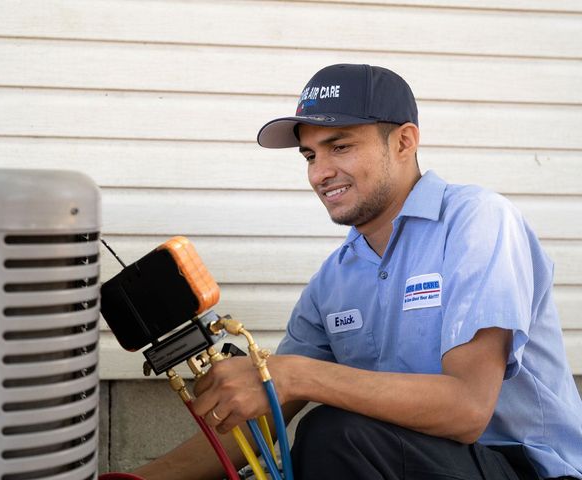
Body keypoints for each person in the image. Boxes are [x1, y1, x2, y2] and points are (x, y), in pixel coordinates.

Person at [132, 64, 582, 480]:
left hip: (522, 467)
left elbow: (466, 409)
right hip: (408, 460)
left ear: (404, 142)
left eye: (340, 146)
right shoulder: (334, 281)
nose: (320, 173)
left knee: (335, 435)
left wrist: (294, 374)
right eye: (309, 156)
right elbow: (264, 412)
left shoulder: (477, 221)